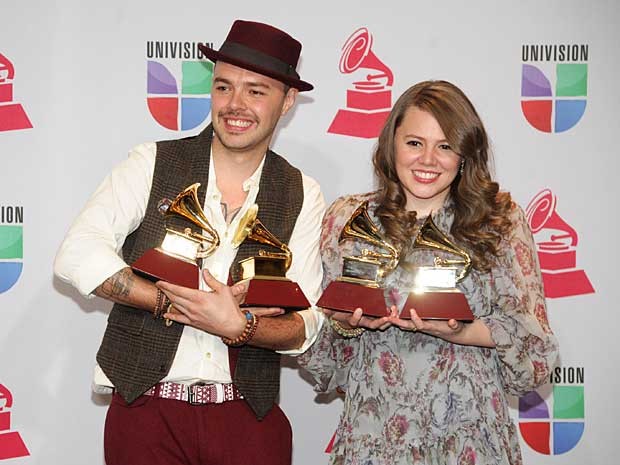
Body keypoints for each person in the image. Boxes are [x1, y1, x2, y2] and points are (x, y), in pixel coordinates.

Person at [54, 20, 325, 465]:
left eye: (256, 91)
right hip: (145, 414)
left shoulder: (301, 191)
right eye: (224, 87)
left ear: (288, 100)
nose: (235, 105)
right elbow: (77, 253)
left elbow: (306, 321)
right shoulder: (151, 162)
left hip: (248, 421)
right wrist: (172, 302)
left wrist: (240, 328)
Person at [298, 80, 559, 465]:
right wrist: (346, 324)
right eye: (414, 143)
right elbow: (323, 359)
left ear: (465, 154)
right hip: (374, 435)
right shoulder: (347, 218)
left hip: (470, 435)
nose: (428, 160)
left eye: (445, 146)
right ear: (392, 145)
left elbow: (535, 348)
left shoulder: (500, 220)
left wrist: (461, 331)